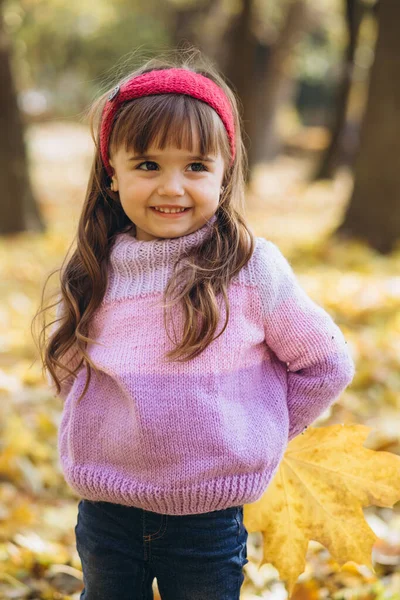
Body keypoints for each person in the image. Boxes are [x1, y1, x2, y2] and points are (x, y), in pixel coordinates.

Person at [41, 49, 355, 600]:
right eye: (147, 165)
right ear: (111, 173)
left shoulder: (250, 268)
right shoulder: (94, 269)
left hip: (208, 520)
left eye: (195, 166)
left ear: (224, 172)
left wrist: (261, 432)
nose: (171, 187)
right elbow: (69, 372)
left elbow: (325, 363)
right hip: (108, 512)